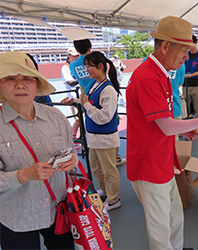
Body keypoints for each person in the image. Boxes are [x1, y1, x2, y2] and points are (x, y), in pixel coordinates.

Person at [126, 15, 198, 250]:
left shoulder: (161, 74)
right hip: (149, 163)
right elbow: (166, 124)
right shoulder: (146, 77)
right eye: (184, 50)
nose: (187, 57)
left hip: (162, 157)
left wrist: (188, 128)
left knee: (174, 214)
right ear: (165, 46)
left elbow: (164, 122)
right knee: (160, 226)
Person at [0, 51, 77, 249]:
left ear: (36, 82)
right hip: (16, 218)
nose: (20, 84)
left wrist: (73, 160)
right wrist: (23, 175)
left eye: (27, 78)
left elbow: (71, 151)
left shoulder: (56, 117)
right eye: (10, 78)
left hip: (59, 210)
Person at [62, 51, 122, 211]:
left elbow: (104, 117)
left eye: (89, 66)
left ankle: (114, 199)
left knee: (109, 171)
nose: (86, 70)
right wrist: (75, 101)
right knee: (96, 168)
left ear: (100, 66)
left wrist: (86, 105)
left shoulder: (108, 90)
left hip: (105, 139)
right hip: (94, 137)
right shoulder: (96, 84)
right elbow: (88, 101)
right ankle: (107, 192)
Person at [183, 35, 198, 118]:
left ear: (195, 43)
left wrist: (188, 75)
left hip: (196, 85)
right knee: (185, 108)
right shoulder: (185, 55)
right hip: (185, 85)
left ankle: (196, 127)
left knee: (197, 108)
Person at [61, 47, 80, 141]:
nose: (76, 57)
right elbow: (69, 82)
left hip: (82, 96)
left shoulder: (78, 66)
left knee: (84, 118)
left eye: (77, 55)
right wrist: (81, 79)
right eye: (74, 56)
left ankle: (81, 137)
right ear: (69, 56)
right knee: (78, 118)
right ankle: (73, 137)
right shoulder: (65, 68)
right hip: (73, 97)